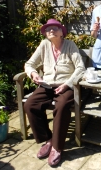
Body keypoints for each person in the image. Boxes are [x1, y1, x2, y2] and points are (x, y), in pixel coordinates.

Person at [24, 19, 85, 166]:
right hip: (47, 85)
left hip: (67, 86)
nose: (51, 30)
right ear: (45, 33)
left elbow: (80, 68)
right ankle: (48, 139)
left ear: (61, 32)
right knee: (30, 105)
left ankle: (57, 147)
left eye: (55, 28)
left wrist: (67, 84)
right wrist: (33, 74)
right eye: (48, 29)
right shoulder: (44, 45)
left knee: (62, 106)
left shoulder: (70, 45)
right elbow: (29, 64)